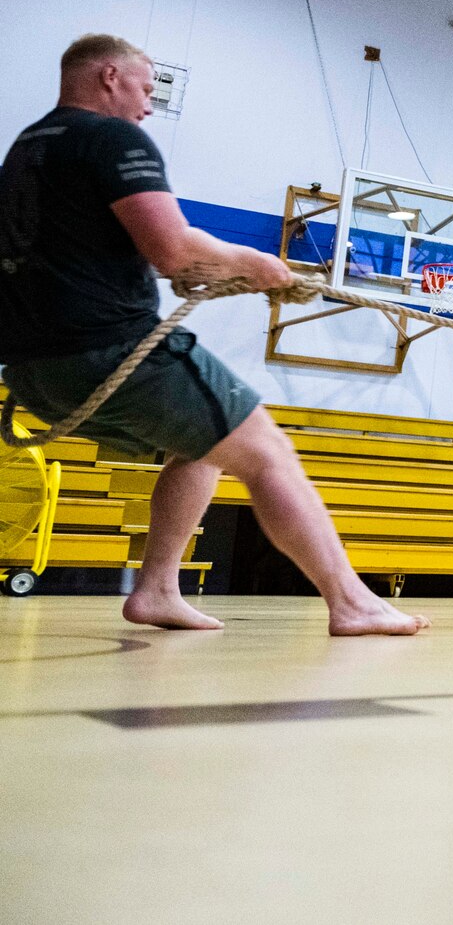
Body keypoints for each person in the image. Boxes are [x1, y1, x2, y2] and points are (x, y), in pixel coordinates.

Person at [0, 35, 425, 635]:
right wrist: (259, 266)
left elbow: (93, 254)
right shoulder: (113, 138)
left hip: (33, 371)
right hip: (111, 351)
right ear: (109, 76)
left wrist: (213, 268)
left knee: (202, 447)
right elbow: (172, 249)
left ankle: (156, 590)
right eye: (147, 89)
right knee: (269, 453)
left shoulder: (29, 148)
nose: (149, 105)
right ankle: (352, 602)